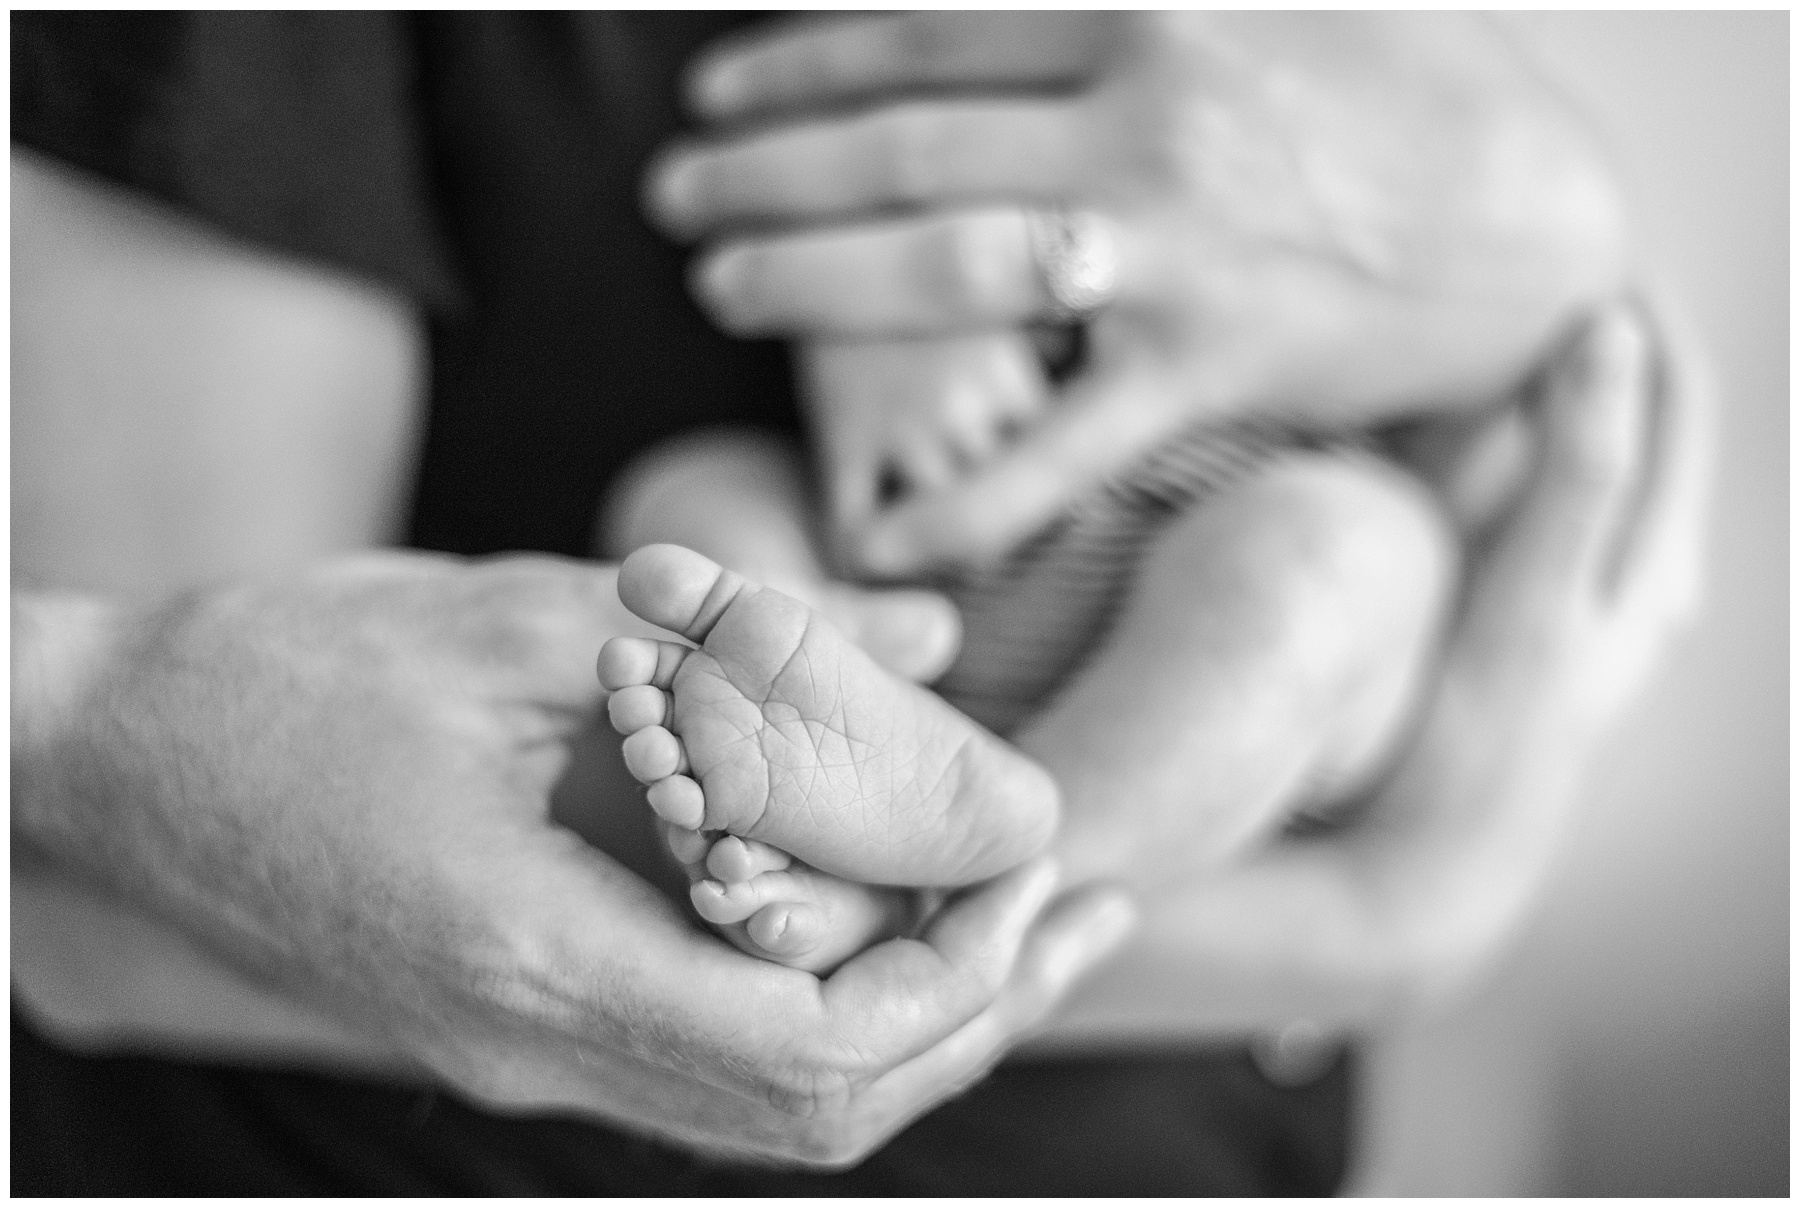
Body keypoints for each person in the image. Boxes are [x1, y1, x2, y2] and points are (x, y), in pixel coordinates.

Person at [10, 12, 1706, 1195]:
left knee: (1334, 567)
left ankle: (1006, 877)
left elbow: (1542, 403)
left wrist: (1556, 214)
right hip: (882, 584)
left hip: (1221, 532)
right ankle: (835, 811)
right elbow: (97, 904)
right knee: (693, 519)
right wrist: (1382, 926)